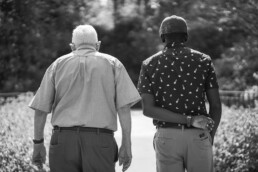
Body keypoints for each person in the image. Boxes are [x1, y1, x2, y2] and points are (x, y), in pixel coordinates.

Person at [29, 24, 141, 172]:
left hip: (63, 141)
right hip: (100, 141)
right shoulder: (114, 64)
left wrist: (38, 144)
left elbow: (40, 109)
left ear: (72, 46)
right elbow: (124, 108)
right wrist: (127, 144)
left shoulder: (57, 65)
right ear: (98, 45)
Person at [137, 15, 222, 172]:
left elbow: (148, 109)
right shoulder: (204, 60)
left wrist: (187, 120)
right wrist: (210, 134)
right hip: (199, 136)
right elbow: (216, 104)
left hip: (167, 137)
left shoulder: (149, 64)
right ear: (186, 36)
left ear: (163, 37)